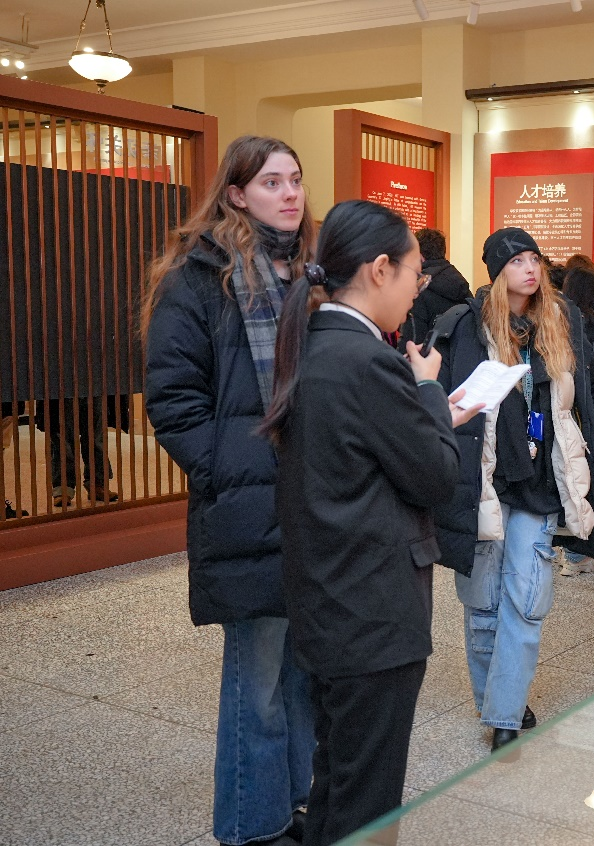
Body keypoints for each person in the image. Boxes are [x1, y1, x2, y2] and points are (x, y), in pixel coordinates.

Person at [261, 199, 474, 846]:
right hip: (372, 611)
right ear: (379, 269)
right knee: (367, 802)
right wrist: (429, 390)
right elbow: (435, 475)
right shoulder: (367, 361)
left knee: (337, 782)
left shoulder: (313, 344)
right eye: (413, 274)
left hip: (328, 598)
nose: (416, 289)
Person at [143, 135, 317, 846]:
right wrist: (228, 474)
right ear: (237, 194)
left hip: (316, 500)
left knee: (304, 670)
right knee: (260, 676)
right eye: (272, 181)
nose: (290, 192)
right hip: (249, 504)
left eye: (295, 179)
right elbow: (172, 401)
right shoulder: (199, 278)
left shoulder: (314, 272)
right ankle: (252, 825)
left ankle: (295, 802)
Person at [434, 227, 594, 751]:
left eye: (534, 259)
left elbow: (586, 394)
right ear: (496, 272)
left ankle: (505, 713)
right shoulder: (465, 325)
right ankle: (497, 698)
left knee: (527, 598)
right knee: (483, 603)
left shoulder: (562, 320)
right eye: (516, 262)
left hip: (542, 482)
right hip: (486, 482)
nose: (530, 269)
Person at [557, 264, 594, 577]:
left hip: (564, 416)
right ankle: (577, 553)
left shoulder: (559, 322)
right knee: (582, 483)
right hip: (584, 417)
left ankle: (567, 552)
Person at [398, 226, 470, 346]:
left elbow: (411, 341)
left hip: (427, 357)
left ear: (420, 256)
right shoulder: (462, 286)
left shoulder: (419, 290)